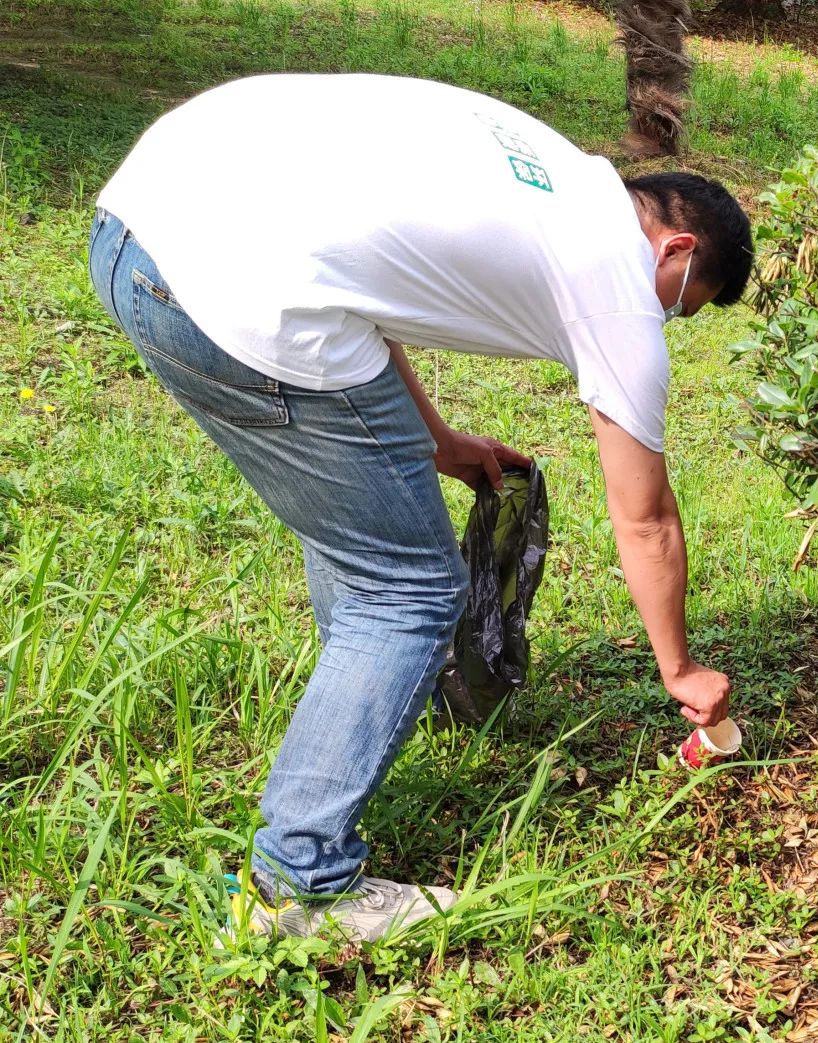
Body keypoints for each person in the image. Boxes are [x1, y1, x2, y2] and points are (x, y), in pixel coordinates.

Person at [89, 73, 753, 944]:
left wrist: (435, 439)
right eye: (681, 305)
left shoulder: (552, 172)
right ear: (674, 249)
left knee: (366, 546)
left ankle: (363, 710)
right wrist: (680, 669)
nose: (663, 321)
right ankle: (300, 885)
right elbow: (646, 519)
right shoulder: (619, 283)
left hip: (139, 220)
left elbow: (361, 279)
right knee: (405, 591)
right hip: (234, 289)